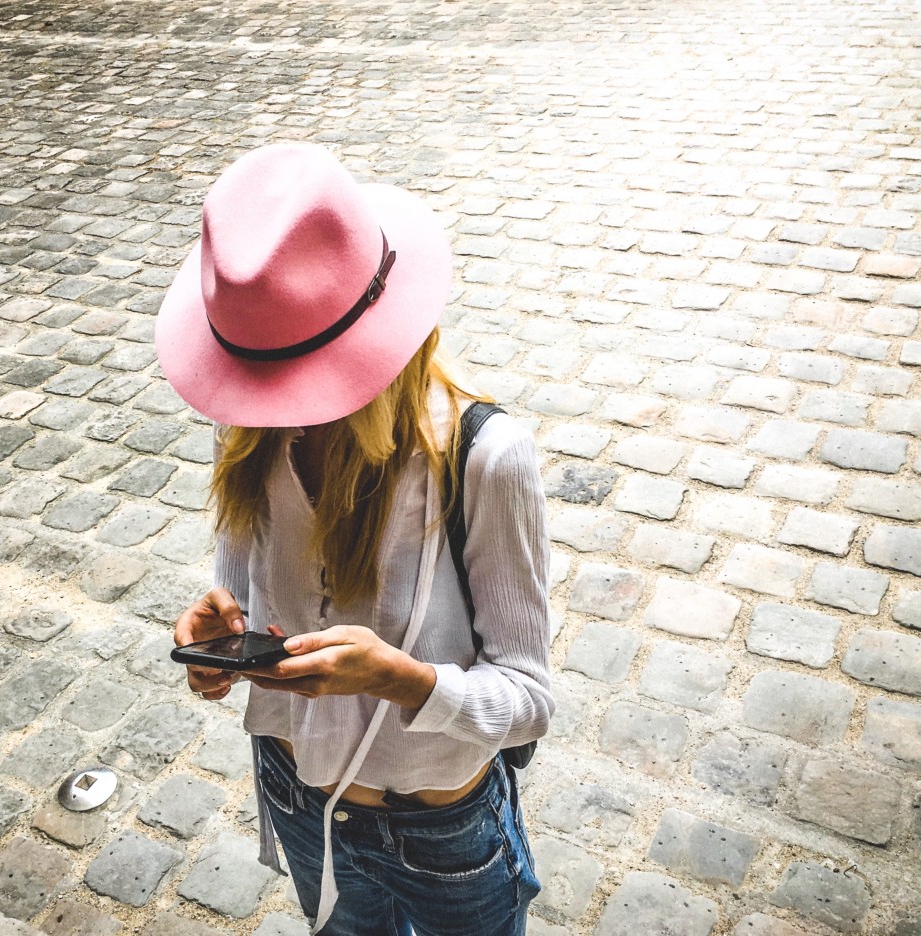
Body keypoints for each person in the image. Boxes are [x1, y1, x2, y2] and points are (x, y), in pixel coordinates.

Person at [157, 142, 554, 936]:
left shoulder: (483, 457)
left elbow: (529, 700)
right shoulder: (245, 431)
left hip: (443, 832)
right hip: (300, 796)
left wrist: (401, 679)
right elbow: (240, 595)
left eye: (297, 379)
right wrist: (216, 650)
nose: (280, 408)